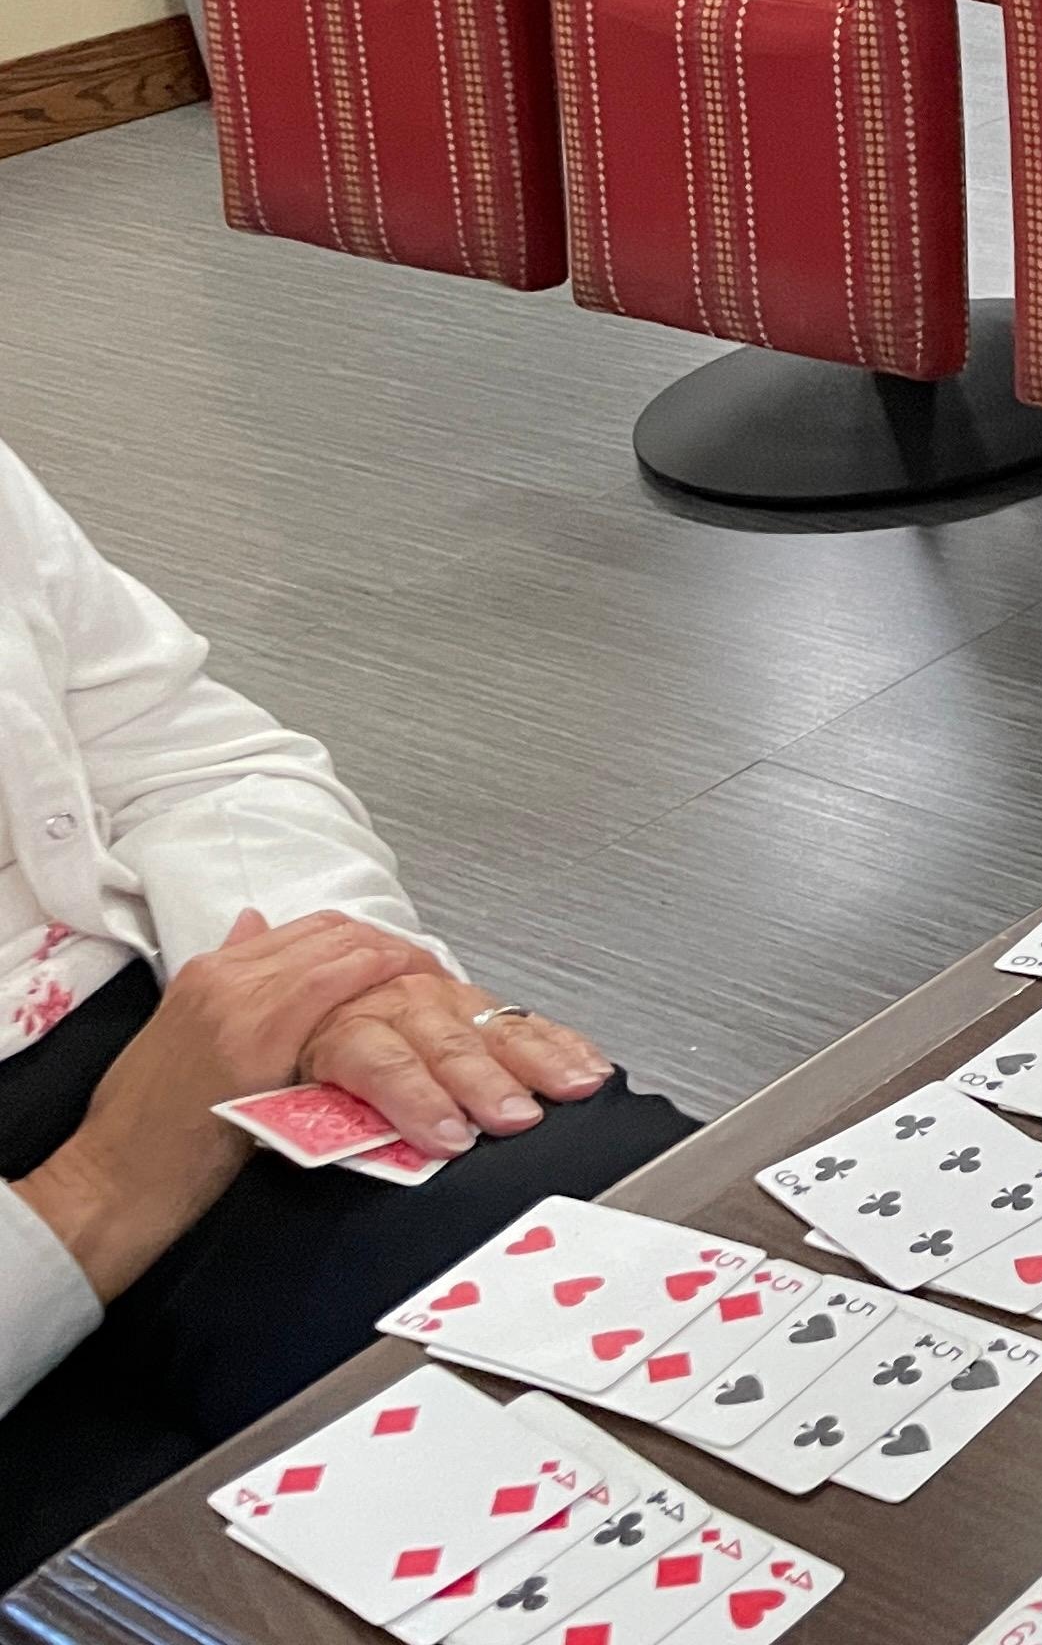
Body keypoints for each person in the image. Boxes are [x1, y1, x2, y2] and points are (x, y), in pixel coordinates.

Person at [0, 440, 685, 1580]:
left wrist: (317, 975)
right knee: (187, 1586)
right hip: (99, 1171)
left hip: (148, 1018)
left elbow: (177, 754)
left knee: (632, 1242)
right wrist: (99, 1197)